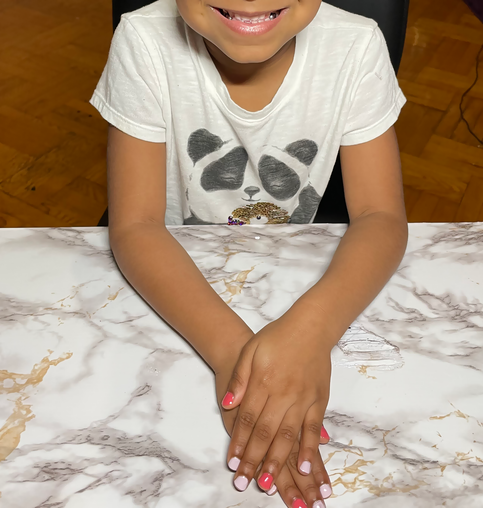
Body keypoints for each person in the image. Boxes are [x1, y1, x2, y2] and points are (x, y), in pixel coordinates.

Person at [89, 0, 409, 505]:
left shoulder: (358, 44)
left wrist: (311, 333)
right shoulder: (143, 39)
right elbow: (136, 226)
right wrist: (237, 360)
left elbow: (382, 217)